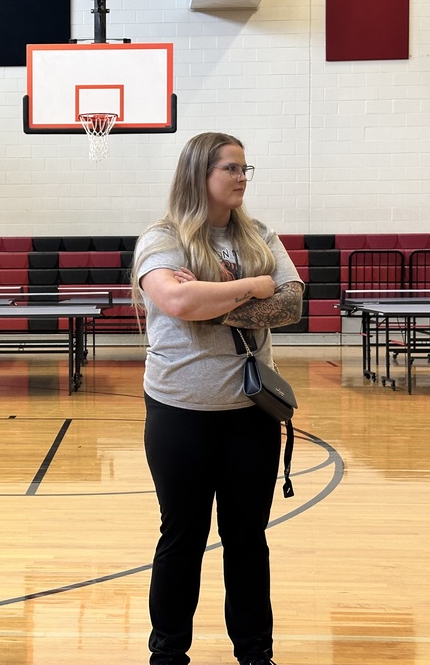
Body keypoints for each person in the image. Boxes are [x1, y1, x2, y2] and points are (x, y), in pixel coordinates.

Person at [131, 132, 304, 665]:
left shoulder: (260, 235)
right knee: (181, 538)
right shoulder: (161, 238)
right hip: (179, 414)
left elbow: (292, 302)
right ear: (199, 174)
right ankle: (168, 655)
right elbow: (176, 299)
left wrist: (216, 301)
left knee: (247, 540)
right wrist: (255, 287)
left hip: (251, 416)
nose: (241, 177)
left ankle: (255, 654)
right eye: (231, 168)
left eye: (246, 168)